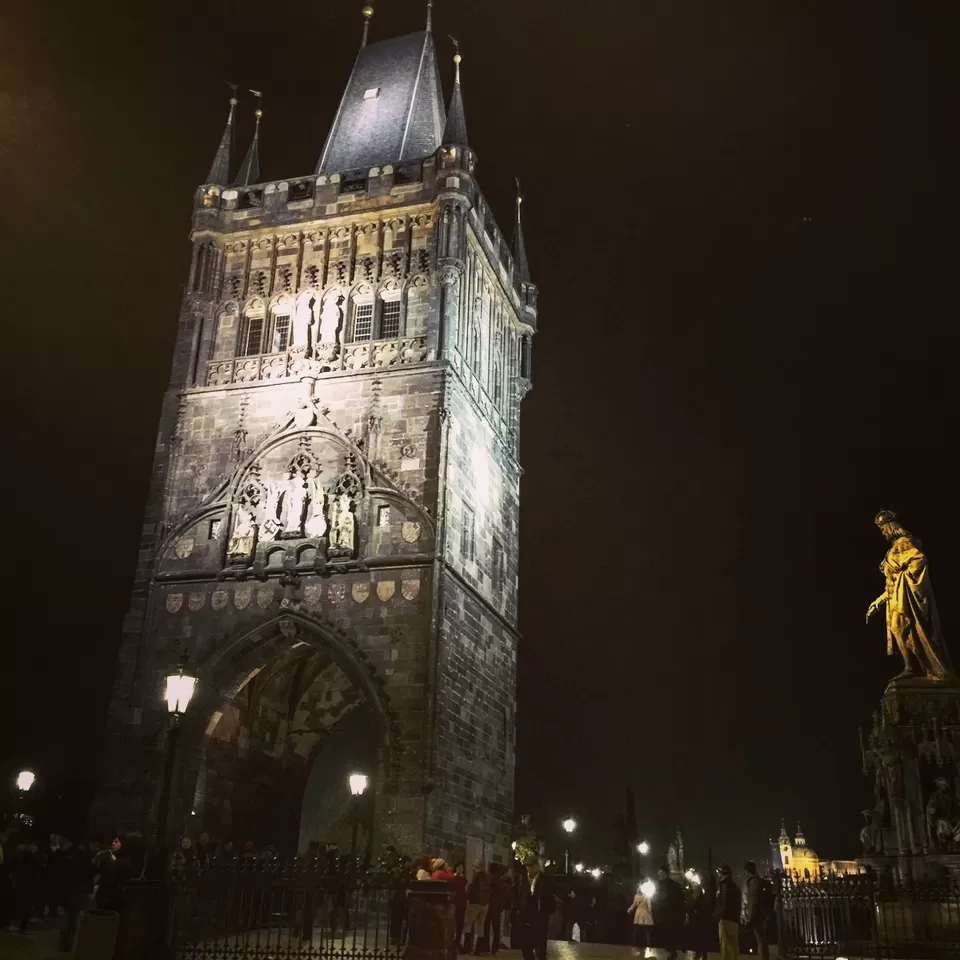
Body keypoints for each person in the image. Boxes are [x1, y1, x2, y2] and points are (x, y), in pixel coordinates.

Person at [516, 855, 554, 960]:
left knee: (540, 946)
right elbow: (518, 897)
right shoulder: (522, 879)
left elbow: (549, 898)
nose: (529, 868)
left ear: (537, 865)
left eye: (531, 865)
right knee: (525, 946)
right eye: (527, 866)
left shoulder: (545, 880)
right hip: (525, 916)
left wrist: (549, 913)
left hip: (540, 916)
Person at [651, 866, 684, 960]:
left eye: (660, 872)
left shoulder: (662, 885)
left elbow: (661, 898)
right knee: (670, 934)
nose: (658, 874)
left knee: (667, 934)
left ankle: (671, 952)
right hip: (671, 914)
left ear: (664, 873)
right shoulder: (674, 885)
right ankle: (672, 951)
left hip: (666, 914)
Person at [743, 861, 770, 960]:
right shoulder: (758, 880)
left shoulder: (754, 882)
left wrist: (750, 917)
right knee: (761, 939)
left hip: (757, 914)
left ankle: (764, 958)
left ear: (747, 871)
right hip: (761, 913)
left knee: (761, 940)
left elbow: (753, 900)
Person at [714, 865, 741, 960]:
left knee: (726, 948)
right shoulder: (735, 886)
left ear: (722, 873)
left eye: (719, 873)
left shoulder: (724, 885)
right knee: (733, 947)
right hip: (735, 920)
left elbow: (723, 904)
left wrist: (716, 915)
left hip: (725, 919)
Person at [465, 861, 490, 953]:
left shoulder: (476, 875)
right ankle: (478, 949)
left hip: (475, 903)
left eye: (474, 866)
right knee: (481, 927)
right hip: (485, 904)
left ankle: (467, 947)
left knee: (468, 925)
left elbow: (471, 889)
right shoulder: (487, 876)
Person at [484, 862, 506, 954]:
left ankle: (485, 946)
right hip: (497, 906)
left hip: (489, 905)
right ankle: (494, 947)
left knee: (486, 927)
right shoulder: (500, 880)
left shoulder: (489, 879)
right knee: (496, 928)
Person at [628, 881, 654, 954]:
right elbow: (649, 907)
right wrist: (651, 914)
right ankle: (647, 942)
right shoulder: (645, 896)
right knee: (645, 929)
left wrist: (630, 909)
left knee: (638, 928)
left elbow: (634, 905)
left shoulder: (638, 896)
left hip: (639, 913)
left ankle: (636, 941)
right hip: (644, 913)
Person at [452, 862, 468, 949]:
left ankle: (457, 941)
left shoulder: (464, 879)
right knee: (455, 923)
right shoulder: (453, 878)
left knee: (460, 924)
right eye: (458, 867)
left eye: (462, 867)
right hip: (455, 903)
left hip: (462, 904)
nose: (460, 869)